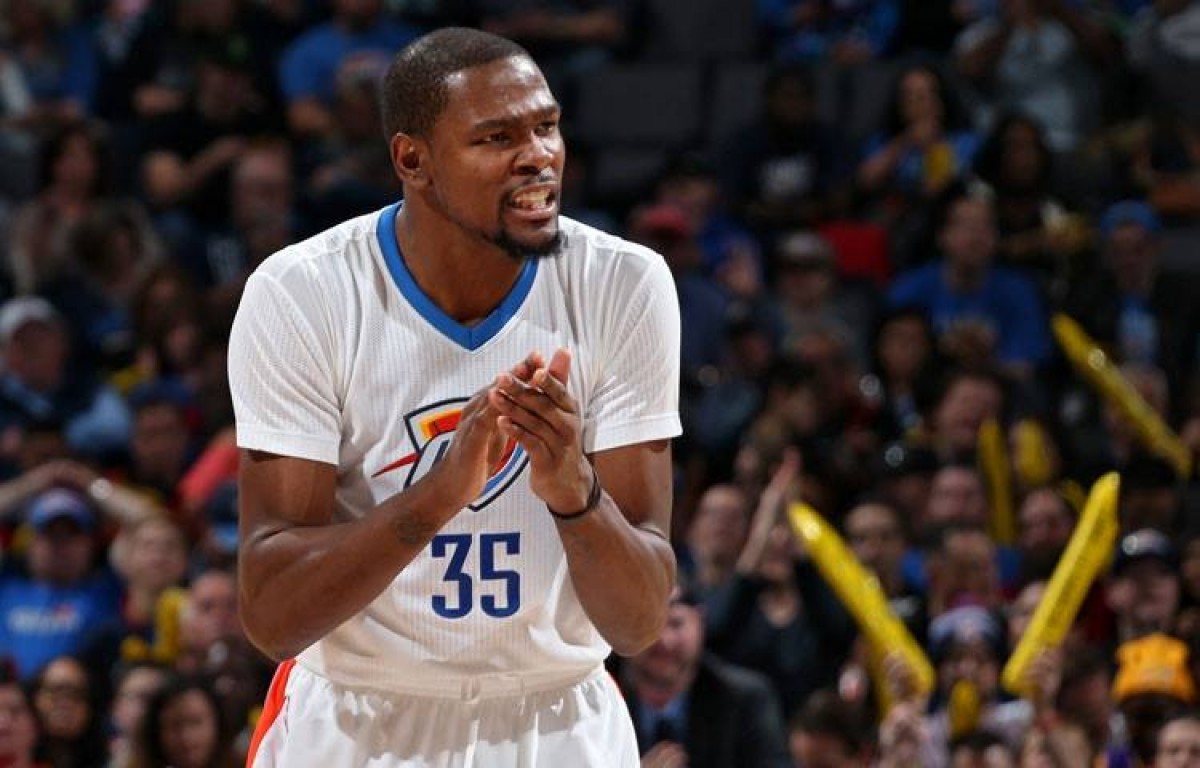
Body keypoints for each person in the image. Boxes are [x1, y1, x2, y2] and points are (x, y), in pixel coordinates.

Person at [227, 27, 681, 767]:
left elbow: (638, 623)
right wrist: (439, 495)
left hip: (556, 717)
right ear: (413, 160)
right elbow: (274, 616)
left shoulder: (624, 283)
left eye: (546, 127)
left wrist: (574, 493)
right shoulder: (302, 293)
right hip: (359, 714)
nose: (537, 155)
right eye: (497, 137)